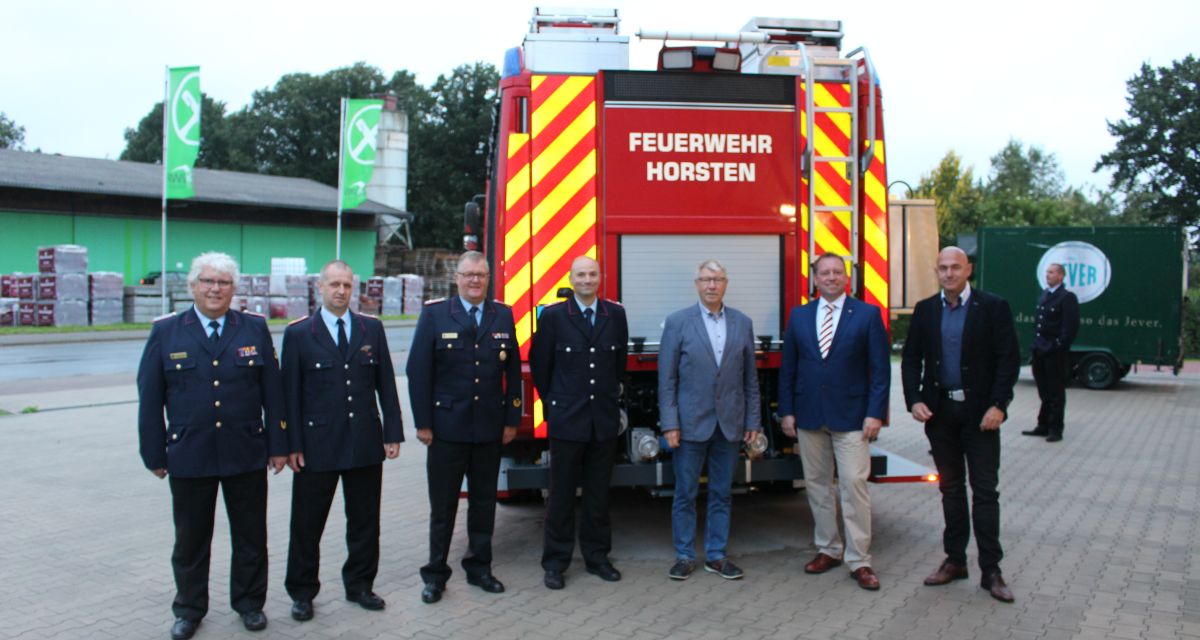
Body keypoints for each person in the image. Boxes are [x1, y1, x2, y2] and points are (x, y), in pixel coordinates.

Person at [137, 251, 288, 640]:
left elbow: (274, 392)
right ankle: (189, 609)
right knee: (190, 540)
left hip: (245, 452)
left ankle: (250, 604)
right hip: (190, 453)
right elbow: (151, 398)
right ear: (193, 287)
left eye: (223, 282)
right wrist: (154, 453)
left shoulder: (253, 329)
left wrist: (279, 444)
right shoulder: (167, 331)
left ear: (234, 289)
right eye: (207, 281)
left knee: (251, 535)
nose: (215, 289)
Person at [280, 260, 404, 621]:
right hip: (317, 445)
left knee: (365, 520)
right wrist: (292, 444)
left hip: (364, 441)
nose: (340, 291)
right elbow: (290, 393)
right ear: (319, 288)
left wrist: (392, 432)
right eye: (334, 284)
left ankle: (360, 584)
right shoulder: (300, 333)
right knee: (306, 524)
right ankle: (302, 592)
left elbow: (386, 384)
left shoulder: (371, 329)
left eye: (347, 285)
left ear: (354, 289)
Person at [901, 247, 1019, 603]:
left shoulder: (993, 307)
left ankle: (991, 571)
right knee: (950, 490)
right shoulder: (925, 310)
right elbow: (911, 359)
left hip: (982, 417)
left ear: (968, 269)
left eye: (956, 267)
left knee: (985, 493)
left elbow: (1008, 360)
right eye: (943, 268)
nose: (949, 273)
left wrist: (999, 405)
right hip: (940, 417)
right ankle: (955, 561)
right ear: (935, 271)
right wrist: (915, 400)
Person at [407, 251, 521, 604]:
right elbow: (418, 371)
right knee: (443, 507)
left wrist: (512, 419)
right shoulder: (435, 314)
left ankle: (480, 568)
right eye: (469, 275)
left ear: (488, 278)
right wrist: (423, 423)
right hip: (446, 430)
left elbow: (513, 372)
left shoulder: (502, 314)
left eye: (481, 275)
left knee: (484, 503)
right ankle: (436, 575)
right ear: (456, 278)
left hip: (488, 427)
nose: (475, 281)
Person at [778, 254, 890, 591]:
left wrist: (875, 414)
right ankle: (828, 549)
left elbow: (880, 371)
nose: (831, 278)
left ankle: (860, 560)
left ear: (847, 278)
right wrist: (787, 411)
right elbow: (789, 369)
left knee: (854, 485)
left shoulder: (868, 315)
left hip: (853, 417)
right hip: (810, 415)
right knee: (816, 485)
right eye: (824, 273)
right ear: (814, 279)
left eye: (837, 272)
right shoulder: (799, 316)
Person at [658, 259, 762, 581]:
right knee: (685, 493)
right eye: (706, 279)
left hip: (729, 425)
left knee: (721, 493)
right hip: (690, 425)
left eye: (717, 279)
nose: (711, 285)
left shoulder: (743, 323)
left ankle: (716, 556)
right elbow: (667, 379)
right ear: (697, 284)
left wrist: (752, 422)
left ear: (726, 283)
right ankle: (685, 555)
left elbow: (750, 381)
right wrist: (670, 423)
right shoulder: (677, 323)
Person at [530, 256, 629, 590]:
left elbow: (618, 365)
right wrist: (556, 407)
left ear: (600, 278)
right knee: (560, 496)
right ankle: (555, 563)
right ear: (571, 279)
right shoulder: (555, 316)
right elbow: (541, 365)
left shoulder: (614, 314)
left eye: (592, 274)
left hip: (602, 419)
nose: (587, 279)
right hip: (567, 420)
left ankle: (597, 558)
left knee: (599, 495)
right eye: (581, 275)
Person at [1022, 263, 1080, 443]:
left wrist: (1058, 345)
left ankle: (1056, 429)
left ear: (1061, 276)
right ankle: (1043, 425)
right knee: (1043, 391)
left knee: (1055, 392)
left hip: (1054, 352)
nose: (1048, 275)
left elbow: (1070, 327)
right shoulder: (1045, 295)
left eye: (1052, 272)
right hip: (1040, 350)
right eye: (1047, 272)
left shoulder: (1066, 297)